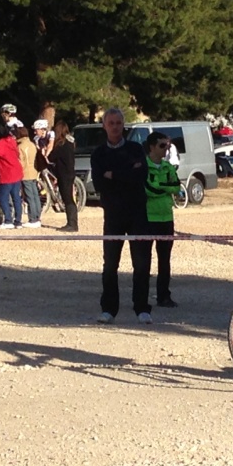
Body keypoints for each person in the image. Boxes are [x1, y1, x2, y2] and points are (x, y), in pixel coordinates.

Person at [91, 107, 150, 324]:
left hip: (137, 213)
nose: (115, 127)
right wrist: (126, 172)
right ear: (105, 126)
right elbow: (98, 183)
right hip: (113, 214)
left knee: (142, 263)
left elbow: (140, 176)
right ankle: (108, 309)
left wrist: (113, 174)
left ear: (123, 125)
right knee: (110, 265)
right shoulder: (98, 154)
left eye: (118, 123)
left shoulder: (135, 148)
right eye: (111, 123)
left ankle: (142, 308)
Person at [143, 132, 181, 308]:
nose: (166, 149)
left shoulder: (168, 167)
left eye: (168, 145)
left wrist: (163, 188)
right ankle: (142, 297)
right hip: (148, 218)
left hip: (166, 218)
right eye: (162, 145)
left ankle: (164, 296)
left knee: (164, 261)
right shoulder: (144, 166)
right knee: (144, 260)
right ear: (152, 147)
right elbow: (149, 189)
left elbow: (176, 187)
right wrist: (165, 188)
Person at [49, 120, 78, 231]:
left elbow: (51, 157)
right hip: (70, 173)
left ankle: (72, 224)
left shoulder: (61, 144)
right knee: (69, 198)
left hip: (64, 174)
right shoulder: (70, 142)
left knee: (68, 199)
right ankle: (72, 223)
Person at [15, 126, 43, 228]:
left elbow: (20, 163)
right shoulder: (32, 144)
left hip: (25, 173)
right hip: (34, 172)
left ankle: (33, 219)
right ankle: (38, 217)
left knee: (29, 196)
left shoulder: (20, 147)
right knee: (35, 195)